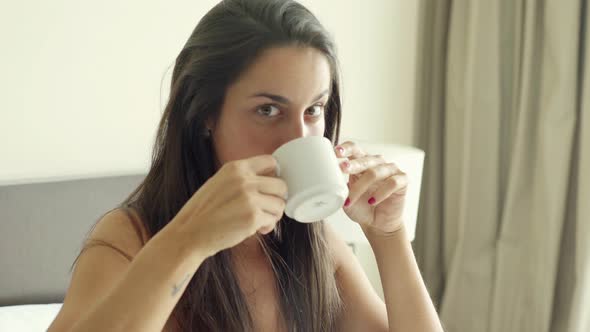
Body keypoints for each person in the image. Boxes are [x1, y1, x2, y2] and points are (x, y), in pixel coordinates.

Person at [48, 0, 443, 331]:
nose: (299, 138)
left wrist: (389, 236)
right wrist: (190, 239)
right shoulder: (131, 237)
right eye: (268, 110)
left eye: (314, 109)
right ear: (204, 114)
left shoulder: (309, 243)